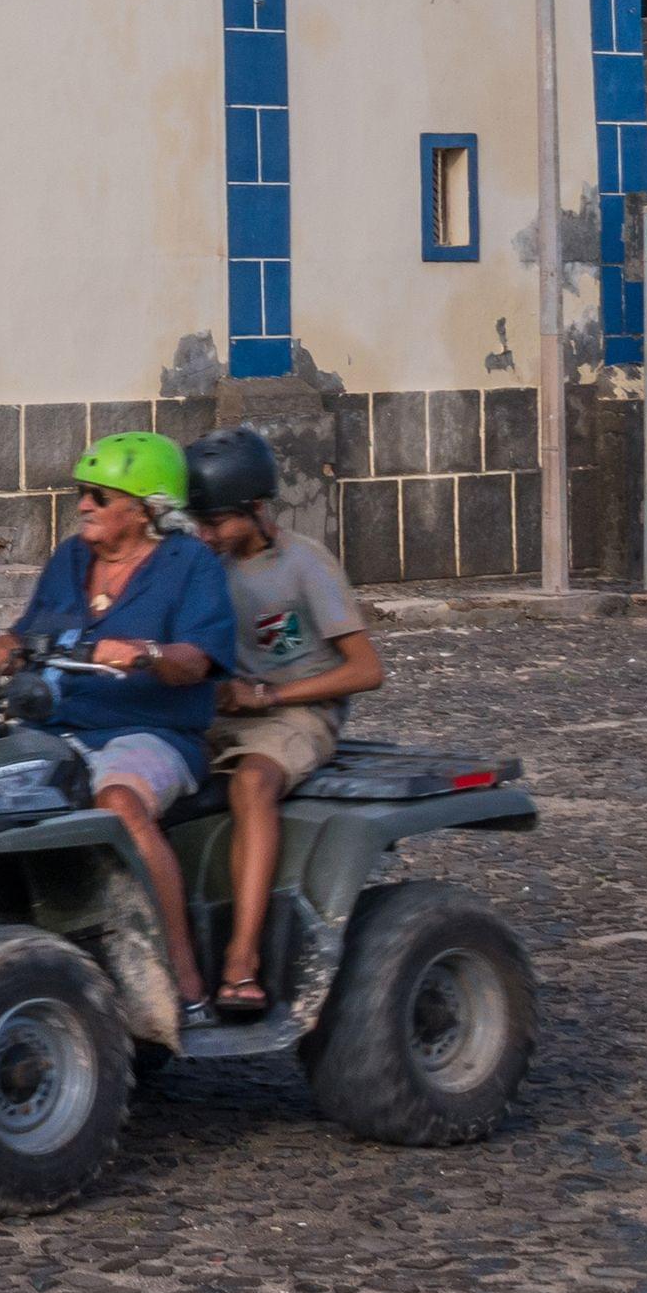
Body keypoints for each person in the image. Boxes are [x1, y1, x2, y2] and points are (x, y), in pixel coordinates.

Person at [0, 432, 238, 1019]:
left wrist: (147, 655)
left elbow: (198, 660)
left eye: (98, 496)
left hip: (150, 733)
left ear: (146, 507)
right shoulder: (72, 559)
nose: (83, 506)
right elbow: (23, 644)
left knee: (120, 802)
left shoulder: (189, 565)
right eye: (82, 494)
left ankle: (184, 978)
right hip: (56, 727)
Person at [186, 422, 384, 1020]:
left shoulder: (306, 566)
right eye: (198, 522)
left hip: (298, 713)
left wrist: (271, 696)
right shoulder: (205, 563)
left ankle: (242, 959)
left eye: (217, 522)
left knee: (251, 784)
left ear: (256, 510)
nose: (206, 534)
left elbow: (366, 669)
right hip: (227, 710)